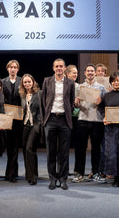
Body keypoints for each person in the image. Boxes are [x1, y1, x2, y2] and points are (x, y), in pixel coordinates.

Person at [41, 58, 75, 190]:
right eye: (57, 66)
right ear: (53, 68)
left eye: (61, 66)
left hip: (64, 120)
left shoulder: (70, 83)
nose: (59, 68)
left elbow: (71, 101)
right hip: (51, 119)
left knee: (64, 152)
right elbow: (44, 101)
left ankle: (63, 178)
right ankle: (52, 178)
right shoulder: (47, 81)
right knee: (51, 151)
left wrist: (66, 112)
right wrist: (47, 116)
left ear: (64, 68)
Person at [73, 64, 106, 183]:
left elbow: (105, 104)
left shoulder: (101, 87)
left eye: (92, 71)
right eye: (88, 71)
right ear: (85, 73)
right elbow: (76, 106)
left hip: (97, 120)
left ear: (95, 73)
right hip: (83, 119)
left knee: (96, 148)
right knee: (80, 148)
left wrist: (101, 102)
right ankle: (79, 173)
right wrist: (76, 102)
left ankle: (96, 172)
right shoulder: (80, 87)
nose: (90, 73)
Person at [19, 74, 43, 185]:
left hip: (36, 124)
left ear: (33, 82)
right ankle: (31, 173)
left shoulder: (39, 94)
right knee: (26, 150)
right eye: (25, 82)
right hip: (25, 125)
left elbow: (43, 109)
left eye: (29, 82)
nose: (27, 84)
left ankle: (33, 176)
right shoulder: (22, 95)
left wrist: (41, 123)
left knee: (29, 148)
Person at [2, 60, 22, 182]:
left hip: (19, 118)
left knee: (15, 147)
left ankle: (11, 174)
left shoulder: (22, 81)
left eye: (15, 67)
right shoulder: (3, 82)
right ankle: (11, 172)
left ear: (18, 69)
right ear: (7, 68)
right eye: (11, 67)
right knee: (8, 147)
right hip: (6, 117)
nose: (13, 69)